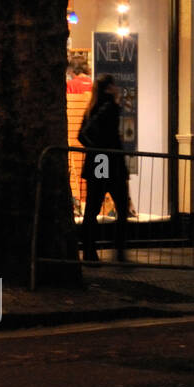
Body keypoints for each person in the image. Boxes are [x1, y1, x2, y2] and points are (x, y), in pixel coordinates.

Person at [78, 73, 130, 263]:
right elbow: (112, 136)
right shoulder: (111, 107)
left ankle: (90, 250)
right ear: (109, 88)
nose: (117, 88)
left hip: (98, 160)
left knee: (92, 207)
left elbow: (81, 136)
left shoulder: (91, 108)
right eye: (114, 85)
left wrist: (95, 149)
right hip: (111, 161)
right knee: (122, 205)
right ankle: (120, 249)